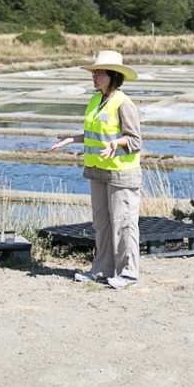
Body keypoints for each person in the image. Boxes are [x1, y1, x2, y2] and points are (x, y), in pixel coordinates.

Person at [50, 50, 143, 290]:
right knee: (101, 223)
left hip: (121, 173)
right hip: (97, 170)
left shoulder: (124, 103)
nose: (94, 76)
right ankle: (102, 270)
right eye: (93, 72)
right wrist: (73, 138)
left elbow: (134, 141)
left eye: (99, 72)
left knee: (124, 224)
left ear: (112, 75)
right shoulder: (95, 100)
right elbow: (96, 134)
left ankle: (128, 274)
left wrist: (117, 144)